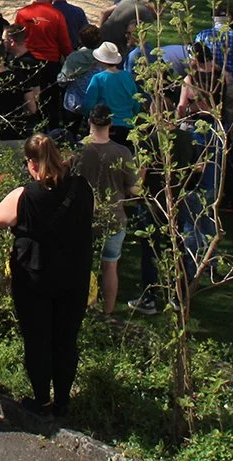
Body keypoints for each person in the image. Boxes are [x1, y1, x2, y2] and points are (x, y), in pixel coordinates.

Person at [0, 133, 95, 420]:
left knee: (38, 340)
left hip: (34, 277)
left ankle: (40, 399)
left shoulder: (24, 196)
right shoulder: (82, 188)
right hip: (73, 275)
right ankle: (62, 402)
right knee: (66, 339)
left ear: (31, 164)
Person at [74, 105, 136, 316]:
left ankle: (81, 310)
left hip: (82, 219)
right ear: (110, 124)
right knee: (110, 267)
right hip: (114, 217)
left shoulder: (77, 151)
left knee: (81, 268)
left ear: (90, 122)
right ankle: (107, 313)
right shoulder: (122, 152)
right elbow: (135, 188)